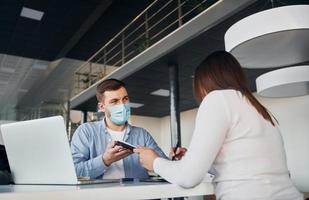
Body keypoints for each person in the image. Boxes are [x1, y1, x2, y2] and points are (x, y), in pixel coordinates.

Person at [134, 51, 303, 200]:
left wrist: (154, 162)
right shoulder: (259, 110)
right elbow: (241, 167)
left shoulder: (217, 99)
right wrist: (192, 158)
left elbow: (188, 177)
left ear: (205, 82)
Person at [71, 78, 186, 179]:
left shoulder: (142, 134)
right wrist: (105, 160)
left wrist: (174, 161)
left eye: (125, 99)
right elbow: (74, 172)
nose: (122, 105)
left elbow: (162, 167)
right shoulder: (86, 132)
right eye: (114, 101)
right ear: (102, 107)